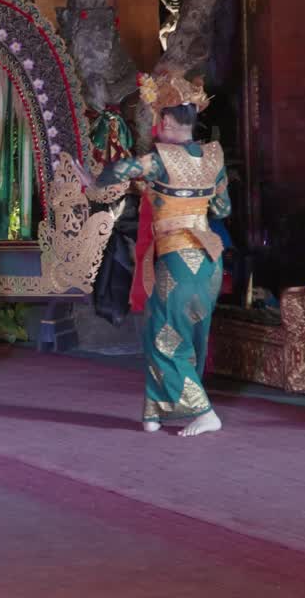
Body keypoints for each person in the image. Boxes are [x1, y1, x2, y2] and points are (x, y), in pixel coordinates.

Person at [85, 71, 230, 437]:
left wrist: (95, 180)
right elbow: (223, 208)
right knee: (182, 334)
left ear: (165, 121)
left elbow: (121, 169)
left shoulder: (161, 158)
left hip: (179, 259)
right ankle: (155, 410)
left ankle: (203, 411)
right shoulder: (214, 155)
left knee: (162, 337)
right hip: (210, 261)